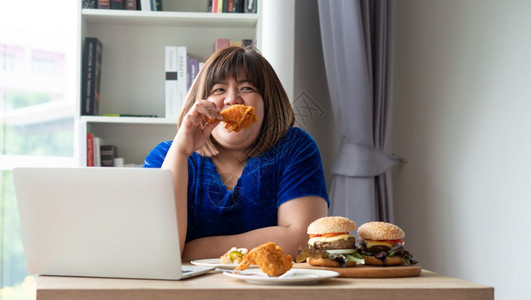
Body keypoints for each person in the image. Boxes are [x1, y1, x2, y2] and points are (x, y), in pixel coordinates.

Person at [144, 46, 329, 261]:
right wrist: (181, 151)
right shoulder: (166, 156)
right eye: (218, 90)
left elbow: (300, 240)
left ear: (267, 103)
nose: (232, 99)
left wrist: (192, 250)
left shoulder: (296, 148)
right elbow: (160, 251)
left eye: (247, 88)